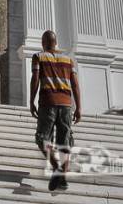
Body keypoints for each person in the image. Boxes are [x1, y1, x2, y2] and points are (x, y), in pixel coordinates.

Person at [30, 30, 82, 192]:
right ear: (56, 42)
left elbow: (35, 79)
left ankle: (56, 168)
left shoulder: (39, 56)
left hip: (48, 102)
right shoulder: (68, 59)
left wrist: (31, 101)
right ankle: (63, 177)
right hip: (67, 104)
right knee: (65, 141)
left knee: (42, 138)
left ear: (43, 42)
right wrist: (78, 106)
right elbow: (75, 84)